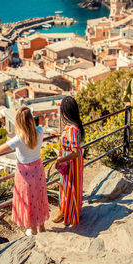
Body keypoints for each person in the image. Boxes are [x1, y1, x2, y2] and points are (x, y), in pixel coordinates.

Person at [0, 107, 49, 235]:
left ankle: (33, 230)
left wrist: (10, 142)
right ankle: (42, 227)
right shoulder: (40, 131)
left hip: (25, 173)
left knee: (28, 200)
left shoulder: (18, 139)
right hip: (38, 169)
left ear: (18, 122)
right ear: (31, 119)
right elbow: (37, 130)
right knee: (39, 197)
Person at [52, 96, 84, 226]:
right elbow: (71, 140)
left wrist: (59, 160)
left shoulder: (72, 129)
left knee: (70, 187)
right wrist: (59, 135)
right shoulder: (73, 126)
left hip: (71, 162)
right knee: (68, 187)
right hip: (72, 162)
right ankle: (65, 210)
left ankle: (69, 214)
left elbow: (74, 152)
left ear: (65, 112)